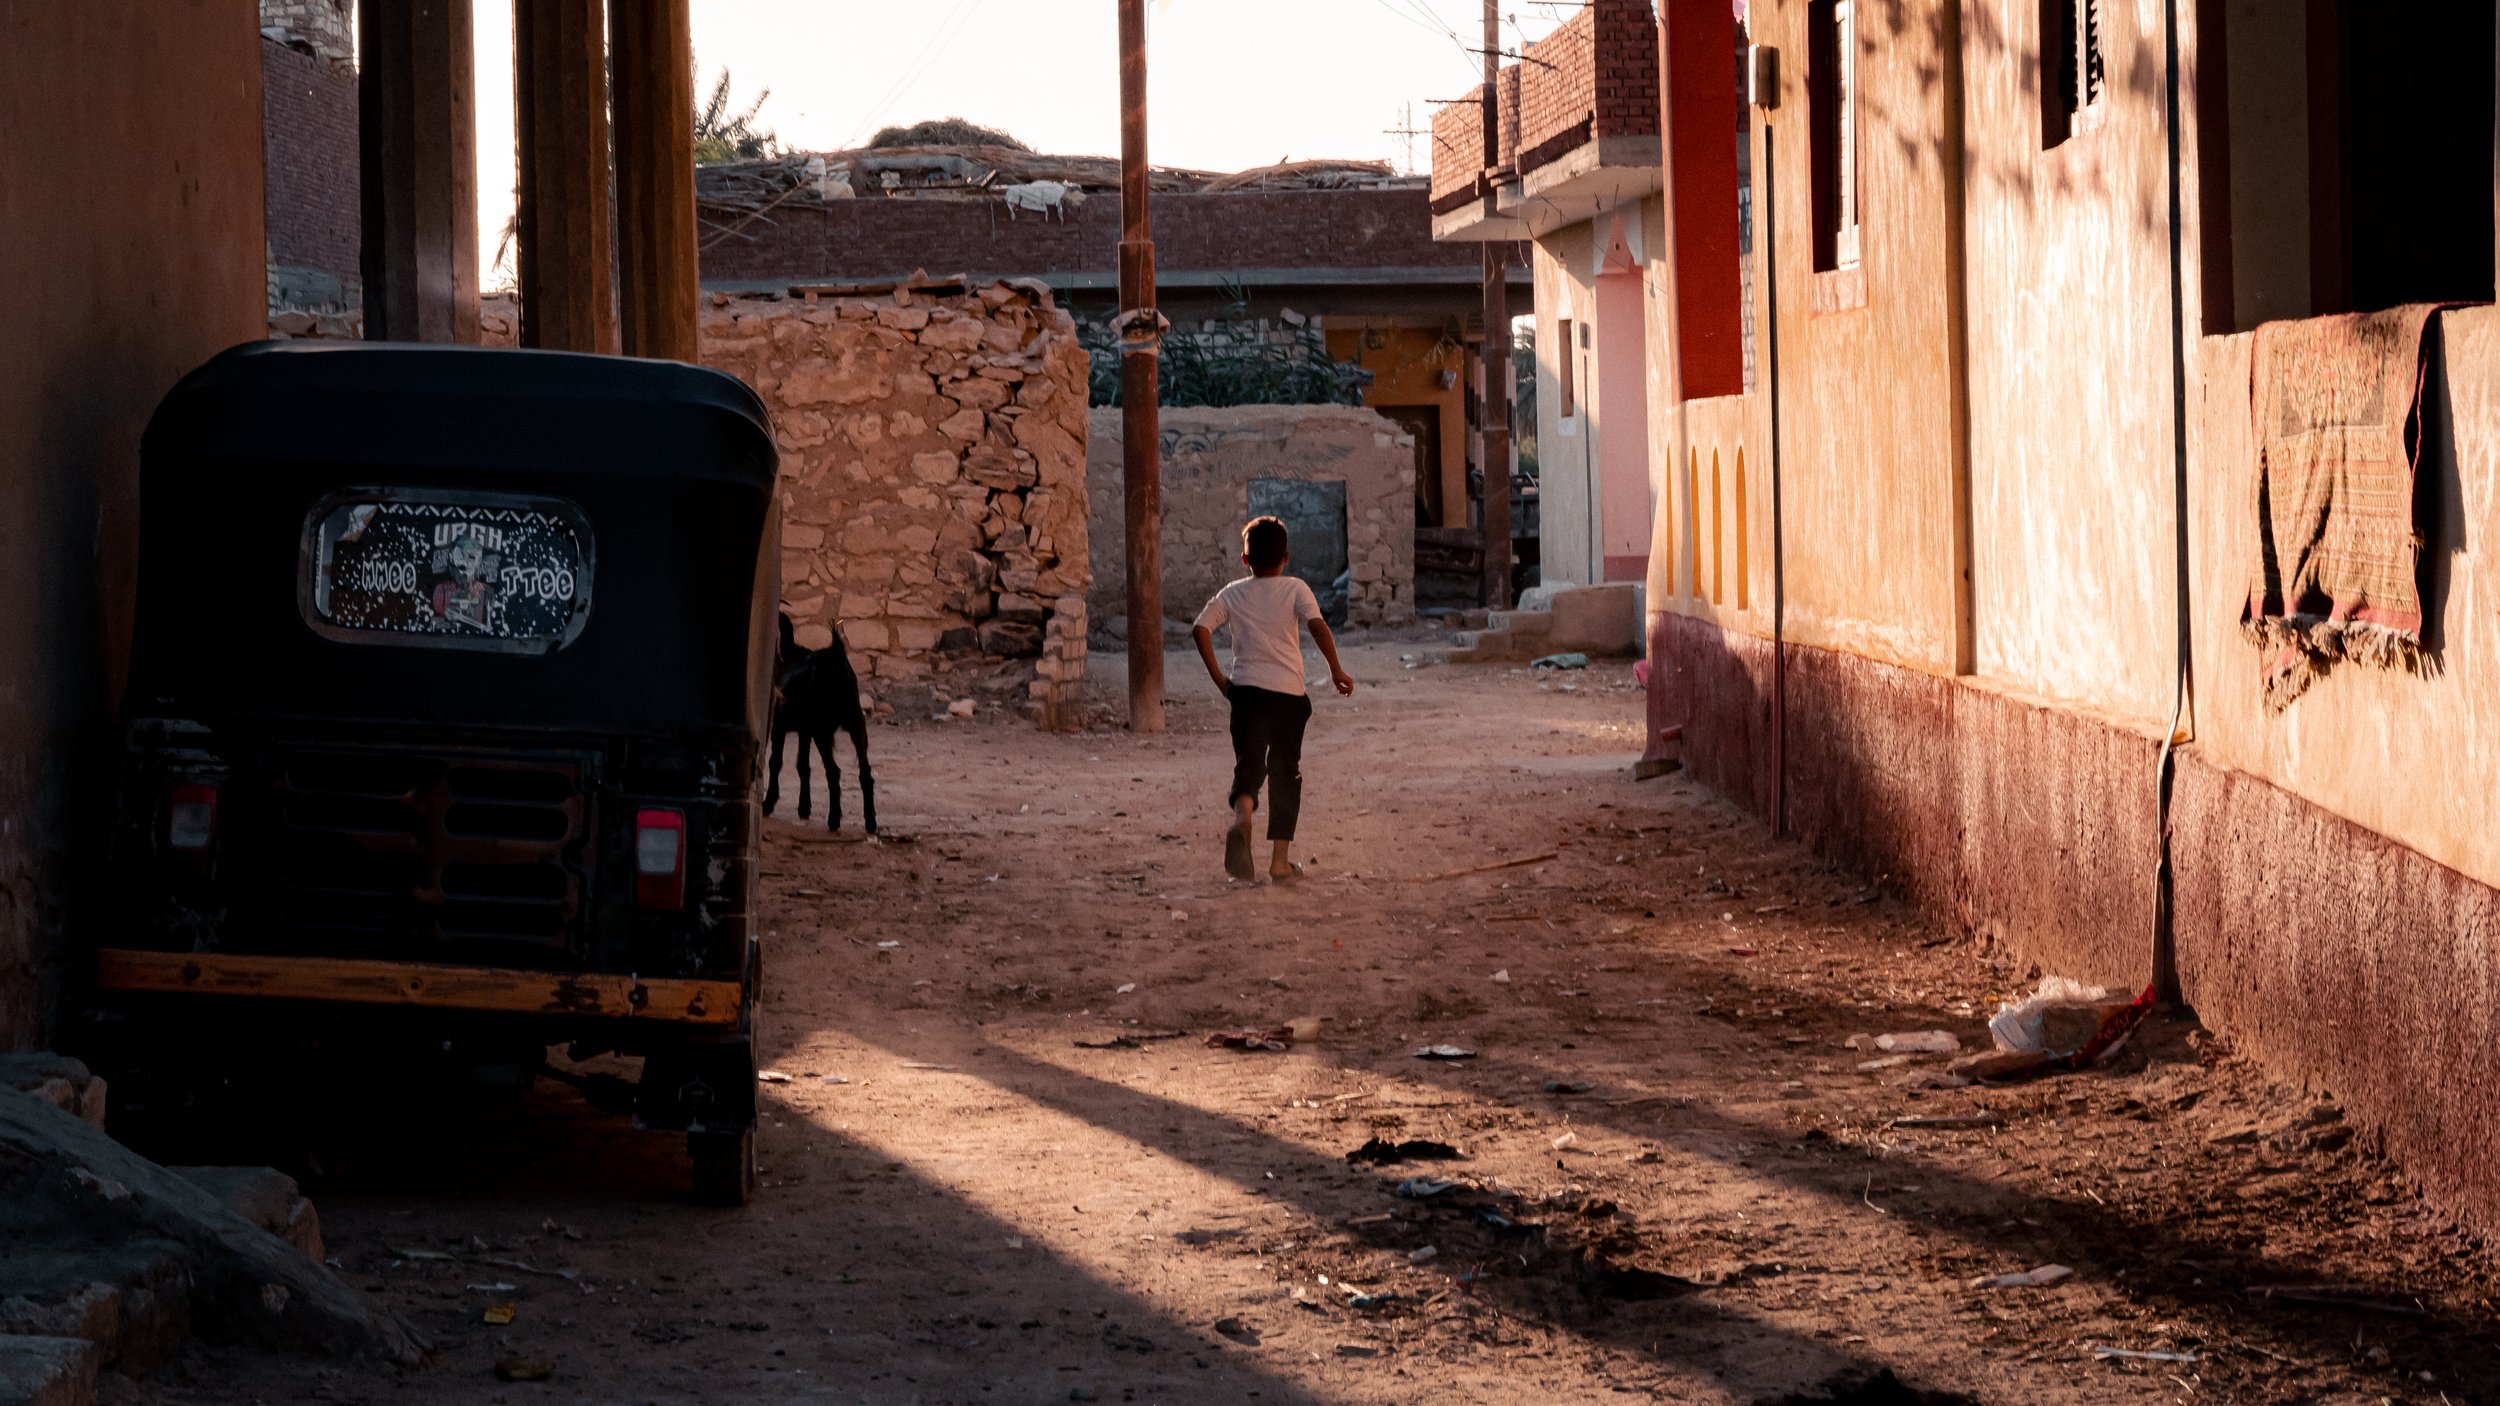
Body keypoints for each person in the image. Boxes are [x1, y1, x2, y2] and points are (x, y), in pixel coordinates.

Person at [1191, 516, 1355, 884]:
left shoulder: (1231, 592)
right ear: (1286, 558)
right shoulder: (1295, 588)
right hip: (1287, 697)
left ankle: (1243, 819)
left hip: (1246, 694)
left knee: (1248, 766)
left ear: (1245, 559)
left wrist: (1221, 680)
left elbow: (1200, 628)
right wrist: (1336, 669)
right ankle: (1279, 863)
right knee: (1285, 772)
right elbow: (1317, 626)